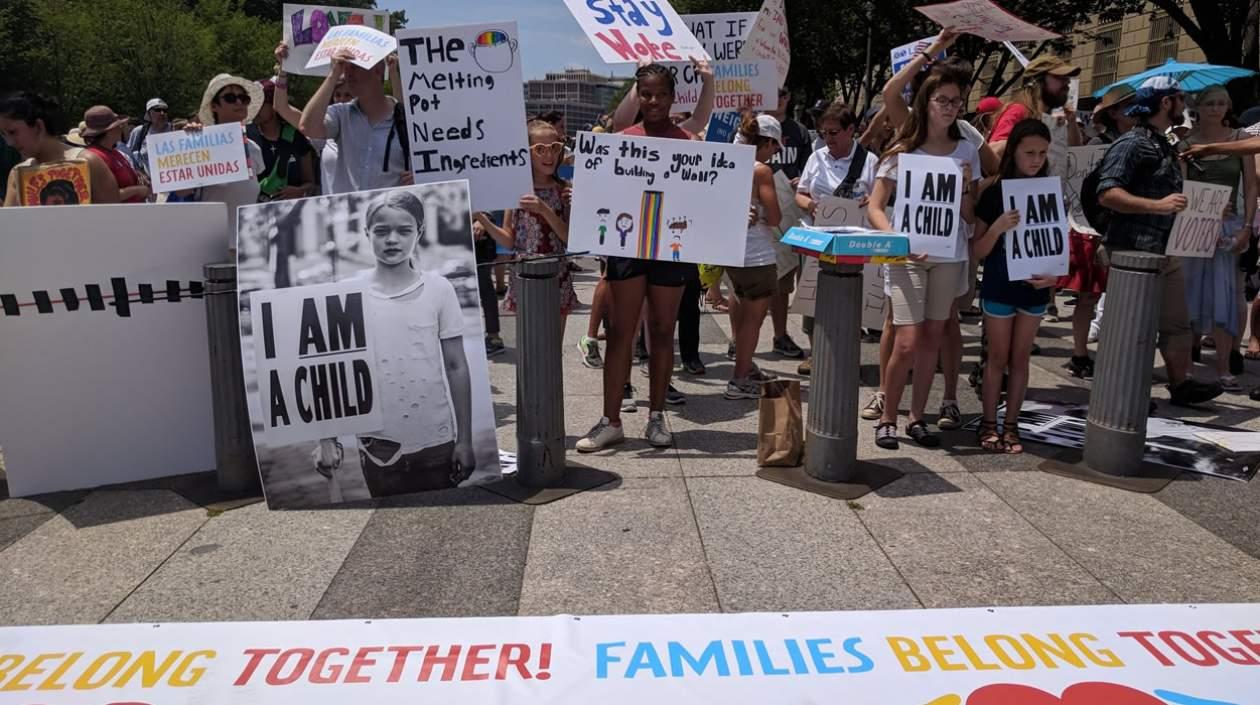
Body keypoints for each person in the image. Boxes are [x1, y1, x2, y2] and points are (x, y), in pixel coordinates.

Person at [314, 190, 475, 496]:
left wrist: (464, 440)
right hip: (378, 447)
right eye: (382, 231)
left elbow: (456, 365)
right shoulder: (345, 293)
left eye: (404, 231)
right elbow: (330, 371)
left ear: (419, 233)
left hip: (437, 440)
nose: (392, 240)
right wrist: (326, 438)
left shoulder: (439, 289)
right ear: (366, 233)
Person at [576, 64, 697, 453]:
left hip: (671, 249)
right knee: (620, 333)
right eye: (646, 94)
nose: (654, 101)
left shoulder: (691, 144)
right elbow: (601, 196)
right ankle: (611, 420)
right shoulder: (621, 140)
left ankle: (656, 416)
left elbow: (706, 199)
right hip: (628, 245)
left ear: (673, 96)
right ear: (637, 96)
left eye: (662, 94)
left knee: (663, 332)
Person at [867, 70, 981, 450]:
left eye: (956, 101)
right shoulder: (904, 152)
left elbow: (968, 216)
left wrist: (965, 184)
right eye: (943, 100)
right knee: (906, 341)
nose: (951, 108)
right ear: (926, 103)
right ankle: (888, 418)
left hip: (947, 256)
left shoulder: (966, 151)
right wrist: (896, 241)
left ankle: (917, 417)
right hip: (907, 257)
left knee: (933, 337)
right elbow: (875, 207)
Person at [1096, 76, 1222, 406]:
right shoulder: (1131, 144)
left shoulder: (1163, 144)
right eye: (1180, 98)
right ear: (1165, 103)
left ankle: (1181, 384)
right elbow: (1108, 193)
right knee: (1133, 327)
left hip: (1167, 249)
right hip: (1134, 250)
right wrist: (1158, 205)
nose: (1185, 104)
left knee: (1177, 324)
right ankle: (1126, 392)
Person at [971, 120, 1059, 453]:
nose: (1036, 159)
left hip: (1034, 289)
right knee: (997, 357)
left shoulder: (1050, 191)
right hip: (998, 285)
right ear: (1014, 153)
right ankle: (988, 422)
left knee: (1020, 358)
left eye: (1042, 153)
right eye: (1029, 153)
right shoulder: (995, 191)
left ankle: (1012, 425)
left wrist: (1055, 278)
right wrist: (997, 228)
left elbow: (1056, 245)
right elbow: (977, 249)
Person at [793, 103, 879, 374]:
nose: (828, 139)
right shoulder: (816, 158)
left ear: (851, 130)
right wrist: (810, 206)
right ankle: (815, 352)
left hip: (854, 243)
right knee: (813, 298)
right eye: (823, 133)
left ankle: (845, 353)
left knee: (851, 299)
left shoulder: (870, 162)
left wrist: (871, 202)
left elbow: (881, 200)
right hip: (817, 239)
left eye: (834, 133)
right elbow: (800, 194)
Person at [1180, 86, 1255, 392]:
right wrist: (1200, 205)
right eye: (1210, 102)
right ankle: (1185, 366)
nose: (1216, 108)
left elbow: (1251, 186)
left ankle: (1223, 366)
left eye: (1222, 102)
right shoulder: (1185, 142)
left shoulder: (1240, 139)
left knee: (1225, 295)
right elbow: (1181, 188)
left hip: (1228, 225)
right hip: (1194, 225)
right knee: (1189, 294)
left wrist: (1247, 226)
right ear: (1198, 106)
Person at [1061, 86, 1136, 379]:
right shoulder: (1098, 143)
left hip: (1125, 228)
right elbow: (1076, 156)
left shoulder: (1141, 142)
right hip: (1092, 227)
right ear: (1114, 113)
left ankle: (1115, 354)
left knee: (1121, 298)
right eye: (1128, 107)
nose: (1135, 112)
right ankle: (1080, 353)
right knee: (1088, 298)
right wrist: (1069, 123)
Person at [474, 119, 577, 327]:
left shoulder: (564, 189)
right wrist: (481, 218)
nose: (549, 155)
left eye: (554, 148)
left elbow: (568, 237)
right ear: (527, 152)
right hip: (524, 277)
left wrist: (545, 209)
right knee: (530, 345)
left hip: (557, 275)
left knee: (553, 349)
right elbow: (509, 240)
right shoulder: (517, 190)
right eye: (540, 149)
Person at [724, 114, 784, 399]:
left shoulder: (729, 161)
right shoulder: (761, 171)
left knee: (741, 308)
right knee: (754, 320)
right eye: (775, 147)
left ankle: (744, 367)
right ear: (767, 141)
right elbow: (774, 217)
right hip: (757, 255)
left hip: (732, 253)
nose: (775, 153)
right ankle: (739, 379)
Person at [299, 46, 413, 194]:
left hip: (387, 215)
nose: (347, 75)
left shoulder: (406, 119)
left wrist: (418, 178)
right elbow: (308, 127)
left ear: (377, 71)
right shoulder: (341, 114)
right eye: (345, 68)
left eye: (354, 68)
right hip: (345, 215)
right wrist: (333, 75)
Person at [166, 75, 265, 236]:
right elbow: (182, 191)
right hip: (211, 245)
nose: (239, 102)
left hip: (247, 243)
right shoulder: (198, 143)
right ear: (214, 106)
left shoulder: (253, 148)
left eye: (243, 98)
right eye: (230, 98)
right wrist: (189, 144)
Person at [1, 92, 119, 206]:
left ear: (38, 126)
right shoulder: (17, 173)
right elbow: (12, 223)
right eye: (3, 134)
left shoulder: (89, 162)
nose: (9, 142)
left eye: (13, 132)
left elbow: (113, 218)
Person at [766, 86, 814, 362]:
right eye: (775, 93)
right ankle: (779, 332)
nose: (779, 98)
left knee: (802, 274)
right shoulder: (757, 126)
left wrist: (802, 180)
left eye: (783, 93)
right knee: (777, 277)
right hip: (768, 206)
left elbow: (809, 166)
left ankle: (803, 335)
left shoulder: (799, 131)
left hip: (795, 207)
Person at [248, 80, 316, 201]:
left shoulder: (296, 136)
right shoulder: (246, 136)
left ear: (274, 105)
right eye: (251, 103)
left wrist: (299, 191)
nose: (253, 108)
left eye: (260, 103)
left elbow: (311, 184)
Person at [80, 105, 150, 204]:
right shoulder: (95, 157)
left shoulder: (114, 152)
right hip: (118, 217)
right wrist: (138, 190)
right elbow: (105, 197)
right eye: (118, 125)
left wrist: (139, 176)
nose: (121, 128)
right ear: (109, 130)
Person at [126, 98, 173, 178]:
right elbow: (128, 155)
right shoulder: (140, 131)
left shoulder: (175, 129)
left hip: (174, 182)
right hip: (149, 184)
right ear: (148, 113)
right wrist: (139, 172)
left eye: (165, 111)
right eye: (157, 110)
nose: (162, 113)